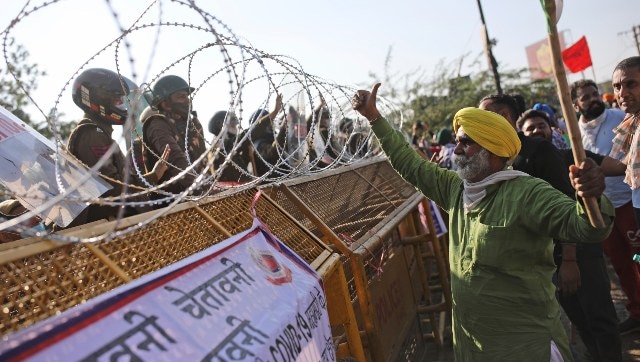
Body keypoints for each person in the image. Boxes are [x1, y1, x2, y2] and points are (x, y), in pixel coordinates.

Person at [352, 82, 613, 361]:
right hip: (472, 346)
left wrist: (592, 198)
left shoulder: (527, 193)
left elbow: (586, 226)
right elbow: (409, 164)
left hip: (523, 347)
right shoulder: (455, 189)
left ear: (492, 148)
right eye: (458, 141)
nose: (458, 150)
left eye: (467, 142)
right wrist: (374, 118)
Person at [518, 108, 624, 360]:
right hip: (551, 257)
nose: (536, 131)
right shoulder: (525, 171)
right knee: (579, 317)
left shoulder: (573, 157)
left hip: (581, 253)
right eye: (530, 129)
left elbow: (615, 166)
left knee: (600, 316)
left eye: (541, 125)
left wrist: (570, 259)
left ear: (552, 128)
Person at [572, 79, 640, 337]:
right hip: (604, 208)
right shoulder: (575, 130)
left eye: (594, 94)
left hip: (628, 201)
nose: (592, 99)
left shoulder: (619, 118)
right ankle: (636, 312)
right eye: (585, 97)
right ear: (576, 105)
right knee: (622, 263)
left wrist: (603, 170)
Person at [67, 68, 170, 225]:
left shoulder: (100, 135)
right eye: (117, 100)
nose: (122, 105)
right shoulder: (92, 135)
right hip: (105, 231)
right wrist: (153, 176)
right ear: (97, 100)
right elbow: (112, 189)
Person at [142, 74, 207, 206]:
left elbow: (203, 160)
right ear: (165, 104)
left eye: (187, 96)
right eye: (182, 97)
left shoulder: (193, 123)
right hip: (171, 203)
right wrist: (201, 189)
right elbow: (176, 160)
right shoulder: (157, 125)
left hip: (199, 196)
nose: (188, 101)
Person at [611, 56, 640, 228]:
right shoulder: (634, 120)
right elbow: (630, 162)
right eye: (617, 86)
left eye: (631, 84)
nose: (622, 93)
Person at [208, 111, 253, 184]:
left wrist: (246, 151)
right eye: (232, 121)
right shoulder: (219, 144)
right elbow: (245, 136)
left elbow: (241, 167)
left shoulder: (230, 143)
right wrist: (271, 116)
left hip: (242, 188)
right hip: (231, 191)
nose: (236, 124)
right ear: (220, 125)